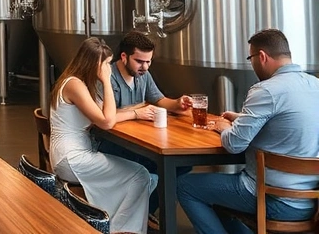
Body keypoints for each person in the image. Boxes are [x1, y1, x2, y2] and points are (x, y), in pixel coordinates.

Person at [176, 28, 319, 234]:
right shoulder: (315, 85)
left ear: (262, 56)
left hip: (272, 198)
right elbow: (289, 123)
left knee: (185, 186)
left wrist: (224, 128)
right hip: (310, 202)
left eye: (250, 58)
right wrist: (242, 119)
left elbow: (234, 145)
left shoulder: (266, 89)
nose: (251, 64)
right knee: (217, 196)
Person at [50, 37, 157, 234]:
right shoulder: (74, 85)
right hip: (71, 158)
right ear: (94, 64)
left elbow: (109, 115)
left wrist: (135, 112)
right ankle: (119, 230)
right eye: (106, 64)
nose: (109, 69)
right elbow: (107, 122)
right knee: (140, 175)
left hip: (72, 156)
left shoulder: (81, 84)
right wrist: (107, 82)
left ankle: (115, 226)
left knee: (143, 175)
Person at [99, 31, 193, 220]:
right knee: (162, 165)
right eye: (140, 61)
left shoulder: (143, 75)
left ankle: (144, 211)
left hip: (139, 141)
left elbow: (159, 100)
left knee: (182, 165)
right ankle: (134, 215)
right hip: (111, 143)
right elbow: (103, 117)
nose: (145, 67)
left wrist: (178, 103)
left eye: (149, 61)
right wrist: (137, 112)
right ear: (124, 57)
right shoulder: (107, 76)